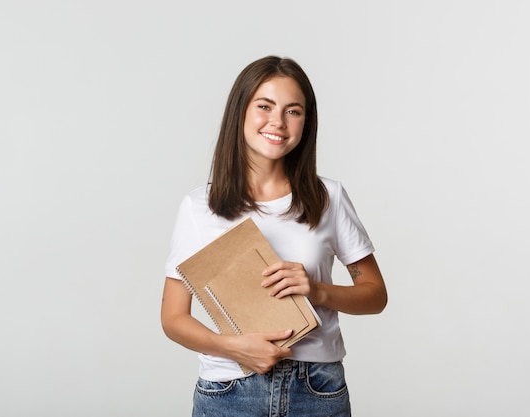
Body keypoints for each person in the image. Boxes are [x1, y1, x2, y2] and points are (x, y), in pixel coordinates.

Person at [161, 55, 387, 417]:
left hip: (317, 388)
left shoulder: (327, 197)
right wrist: (234, 348)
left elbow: (375, 295)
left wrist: (317, 289)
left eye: (293, 111)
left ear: (305, 122)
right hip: (229, 389)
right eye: (264, 106)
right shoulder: (199, 207)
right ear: (241, 112)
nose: (278, 122)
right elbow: (173, 318)